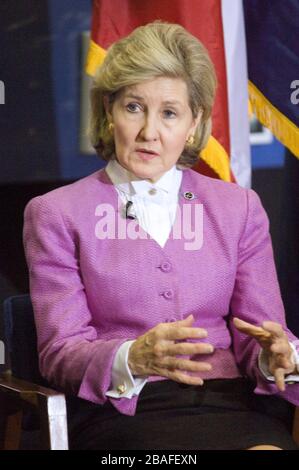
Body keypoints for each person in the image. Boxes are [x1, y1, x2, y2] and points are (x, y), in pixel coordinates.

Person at [23, 21, 299, 450]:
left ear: (194, 123)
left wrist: (277, 355)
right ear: (109, 110)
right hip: (120, 414)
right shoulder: (56, 213)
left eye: (169, 113)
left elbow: (261, 335)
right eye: (134, 107)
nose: (150, 131)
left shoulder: (239, 209)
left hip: (229, 406)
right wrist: (132, 356)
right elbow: (59, 352)